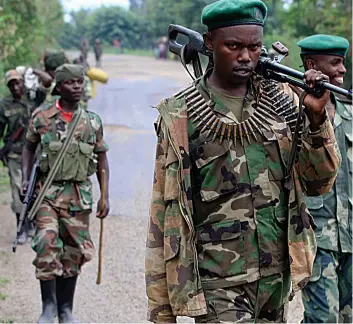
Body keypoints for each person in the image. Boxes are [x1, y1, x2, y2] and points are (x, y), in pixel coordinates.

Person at [145, 0, 341, 322]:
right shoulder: (182, 115)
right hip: (218, 282)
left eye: (254, 46)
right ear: (209, 43)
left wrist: (317, 118)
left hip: (277, 276)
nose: (246, 57)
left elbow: (319, 184)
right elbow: (162, 214)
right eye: (233, 46)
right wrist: (161, 310)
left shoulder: (284, 101)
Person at [21, 64, 110, 323]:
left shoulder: (92, 121)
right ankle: (48, 306)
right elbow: (28, 148)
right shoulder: (42, 117)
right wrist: (25, 180)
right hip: (47, 194)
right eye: (71, 83)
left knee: (74, 252)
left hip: (78, 196)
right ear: (59, 87)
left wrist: (105, 195)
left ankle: (65, 309)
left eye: (80, 82)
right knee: (47, 243)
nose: (78, 87)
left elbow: (102, 160)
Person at [297, 34, 352, 323]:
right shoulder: (294, 110)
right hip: (317, 239)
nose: (342, 70)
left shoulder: (350, 110)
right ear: (311, 64)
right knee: (322, 319)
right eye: (335, 63)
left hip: (351, 237)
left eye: (343, 62)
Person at [0, 70, 39, 244]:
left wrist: (33, 71)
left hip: (36, 154)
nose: (16, 87)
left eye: (18, 82)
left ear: (23, 82)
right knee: (18, 191)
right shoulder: (4, 105)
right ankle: (21, 227)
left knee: (36, 189)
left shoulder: (34, 98)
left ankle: (32, 222)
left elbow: (49, 82)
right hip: (15, 154)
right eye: (11, 84)